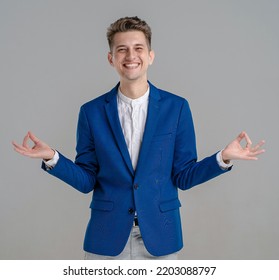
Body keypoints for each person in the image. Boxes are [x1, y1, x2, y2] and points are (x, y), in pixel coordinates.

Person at [12, 16, 265, 260]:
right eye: (122, 49)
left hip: (161, 237)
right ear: (111, 58)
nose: (131, 56)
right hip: (106, 238)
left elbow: (184, 176)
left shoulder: (176, 108)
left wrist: (223, 158)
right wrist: (52, 158)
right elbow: (87, 180)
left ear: (150, 56)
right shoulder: (91, 112)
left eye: (138, 48)